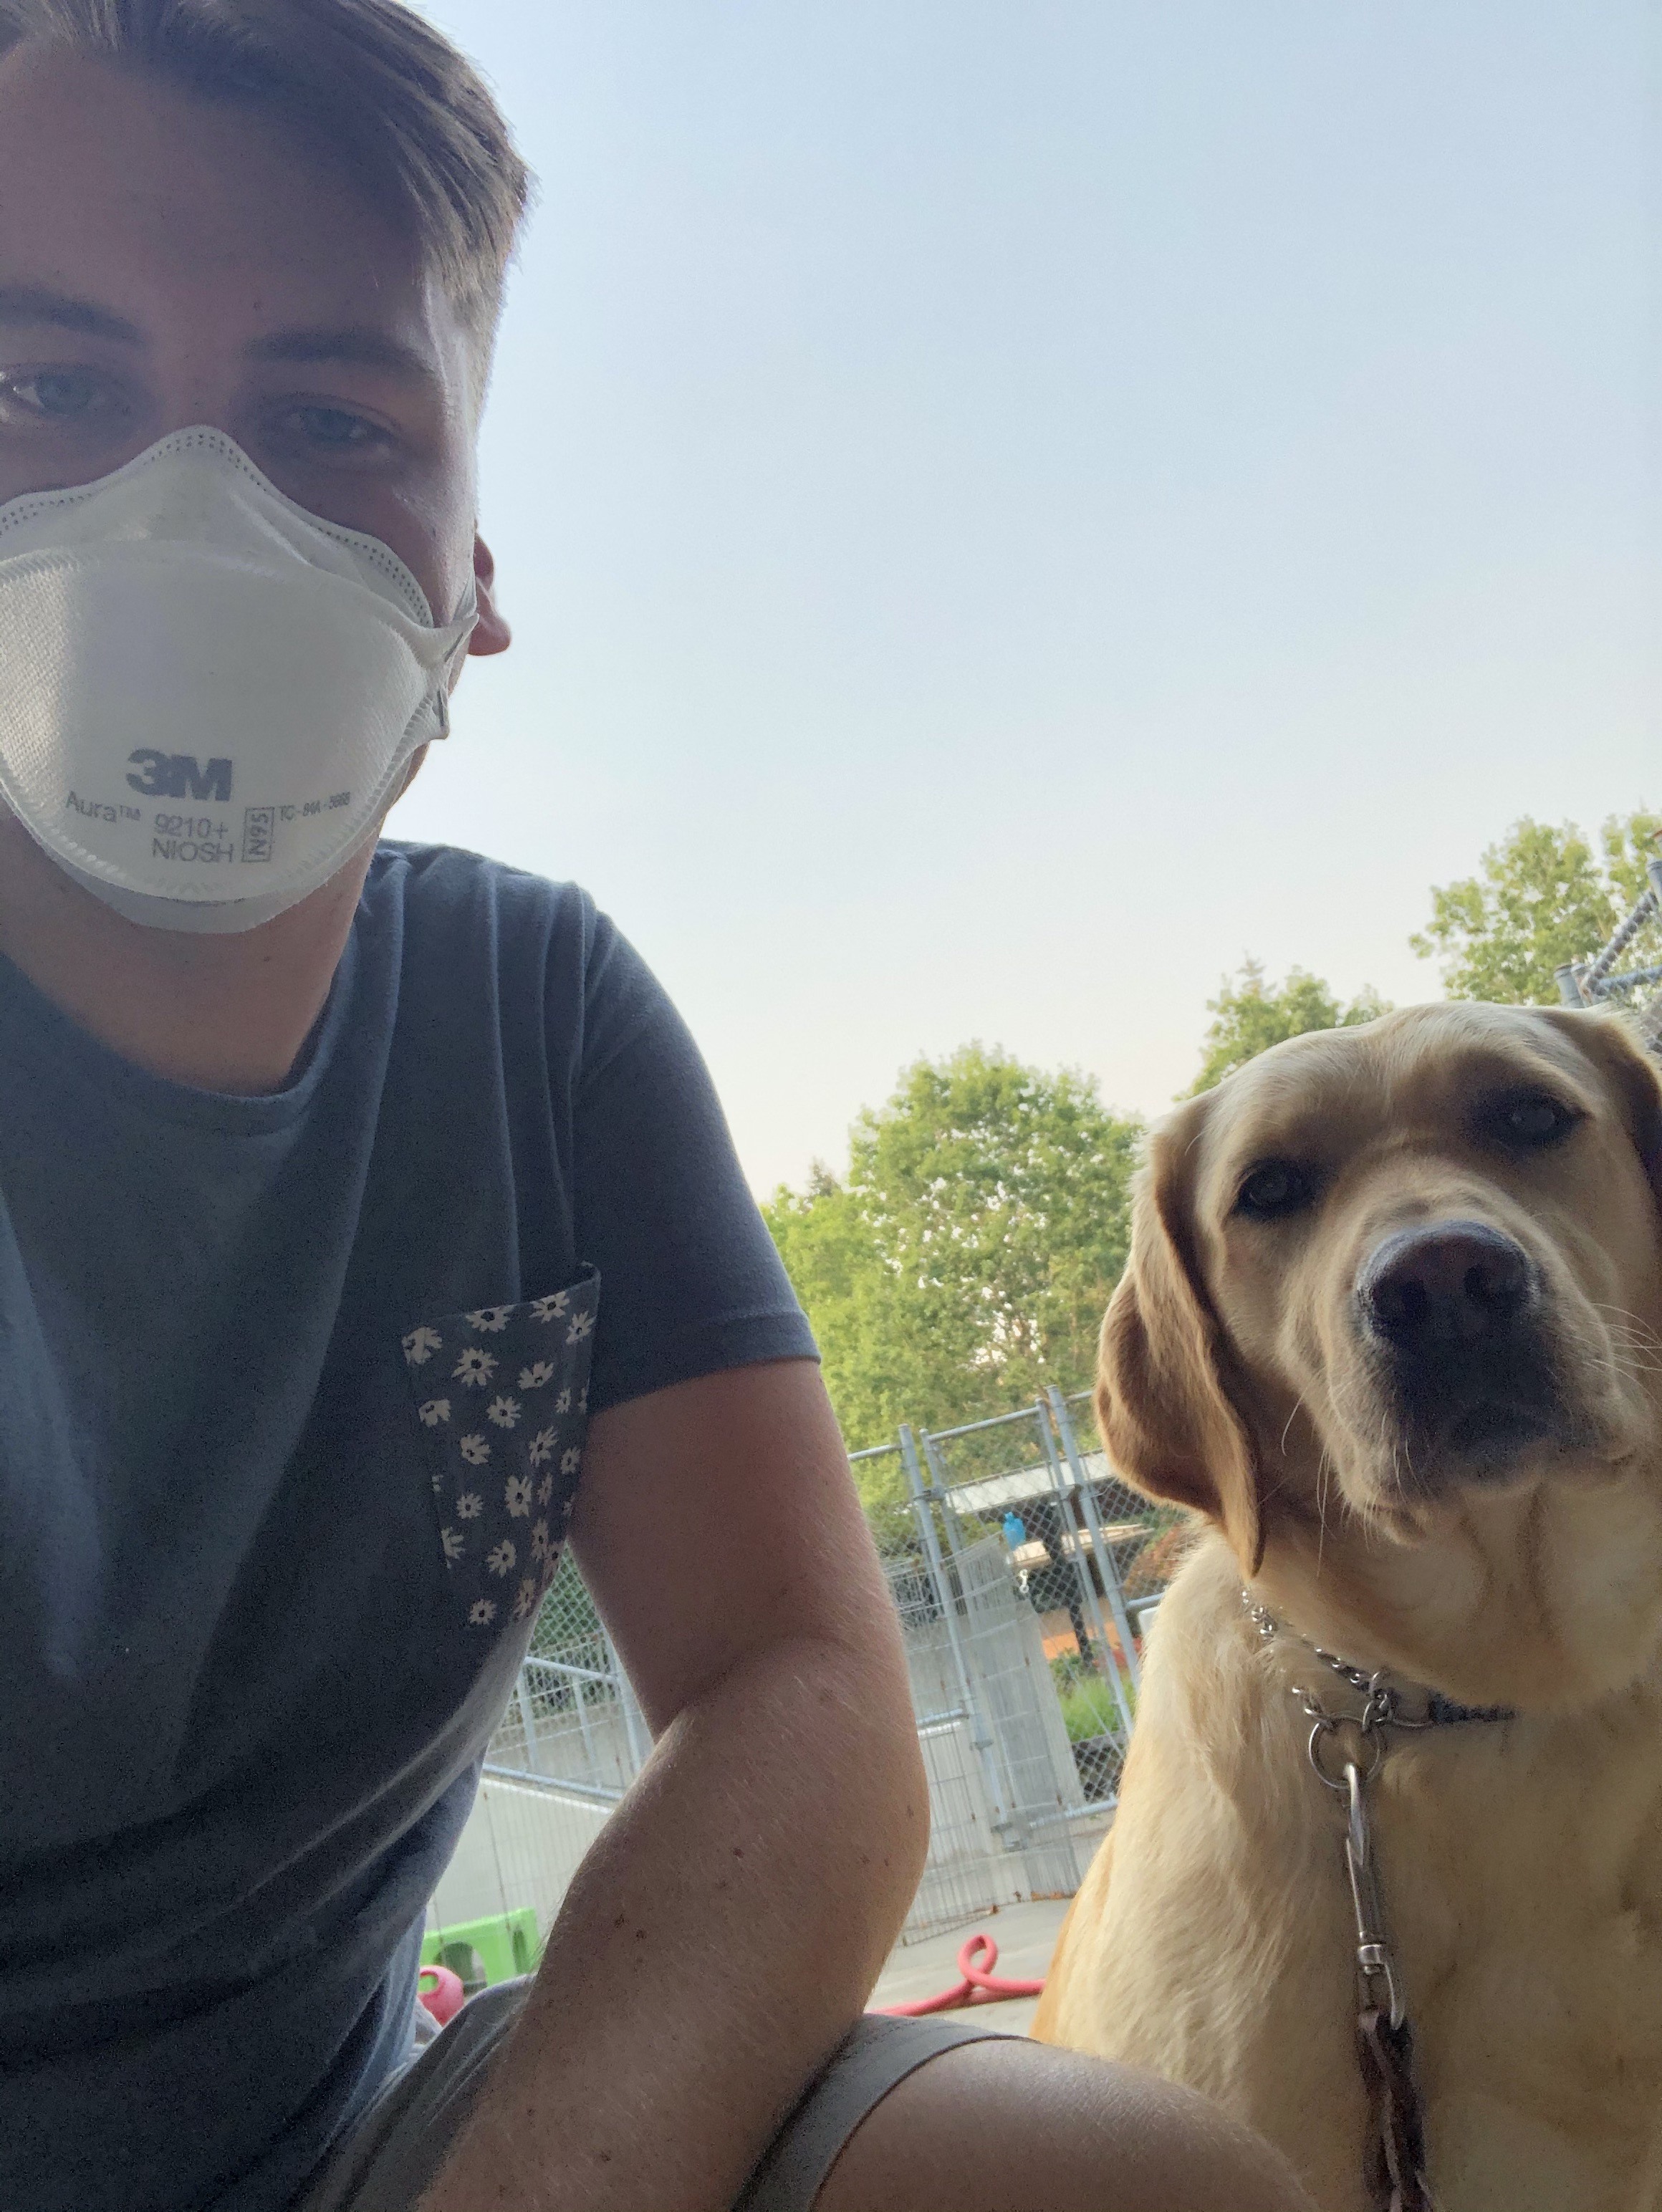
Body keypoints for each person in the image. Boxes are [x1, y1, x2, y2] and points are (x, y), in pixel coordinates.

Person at [0, 6, 1313, 2208]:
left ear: (472, 581)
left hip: (376, 2143)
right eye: (45, 389)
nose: (190, 513)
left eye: (329, 414)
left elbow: (794, 1681)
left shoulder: (533, 1025)